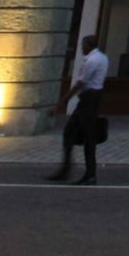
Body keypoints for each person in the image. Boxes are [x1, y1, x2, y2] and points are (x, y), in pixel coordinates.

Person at [47, 34, 109, 185]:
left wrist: (61, 103)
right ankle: (67, 169)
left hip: (88, 100)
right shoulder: (103, 58)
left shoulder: (92, 60)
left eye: (83, 45)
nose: (82, 48)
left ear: (88, 45)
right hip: (92, 98)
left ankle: (89, 174)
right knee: (71, 133)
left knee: (88, 137)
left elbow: (80, 83)